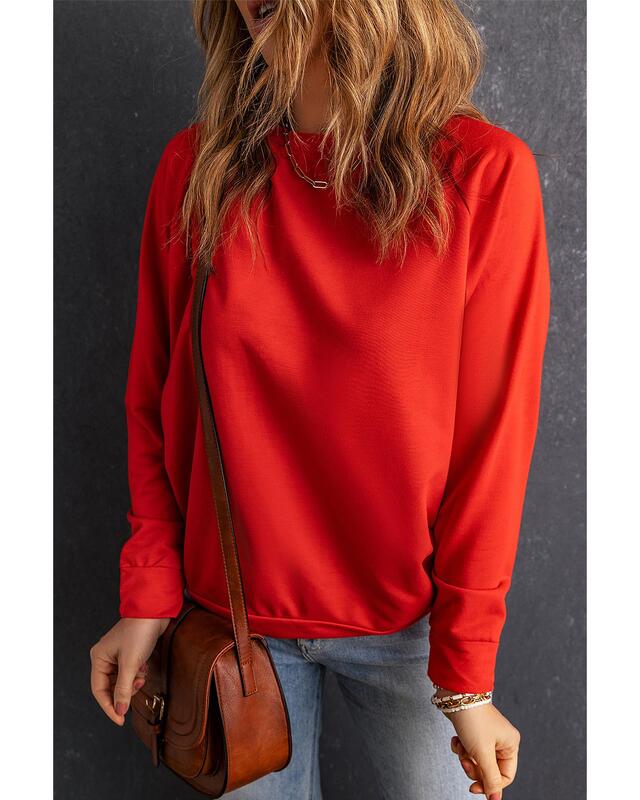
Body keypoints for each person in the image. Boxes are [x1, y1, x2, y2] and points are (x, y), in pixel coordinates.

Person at [89, 1, 551, 798]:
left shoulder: (481, 174)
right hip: (235, 626)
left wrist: (467, 675)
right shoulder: (197, 169)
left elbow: (494, 446)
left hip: (414, 631)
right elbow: (155, 397)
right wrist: (149, 590)